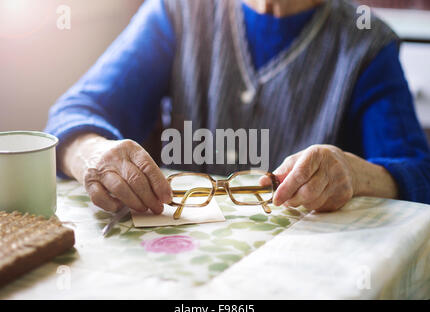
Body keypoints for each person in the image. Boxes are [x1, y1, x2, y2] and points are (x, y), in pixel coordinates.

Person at [45, 0, 430, 215]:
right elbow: (72, 115)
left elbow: (419, 174)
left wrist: (353, 174)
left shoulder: (366, 43)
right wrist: (94, 155)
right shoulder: (177, 12)